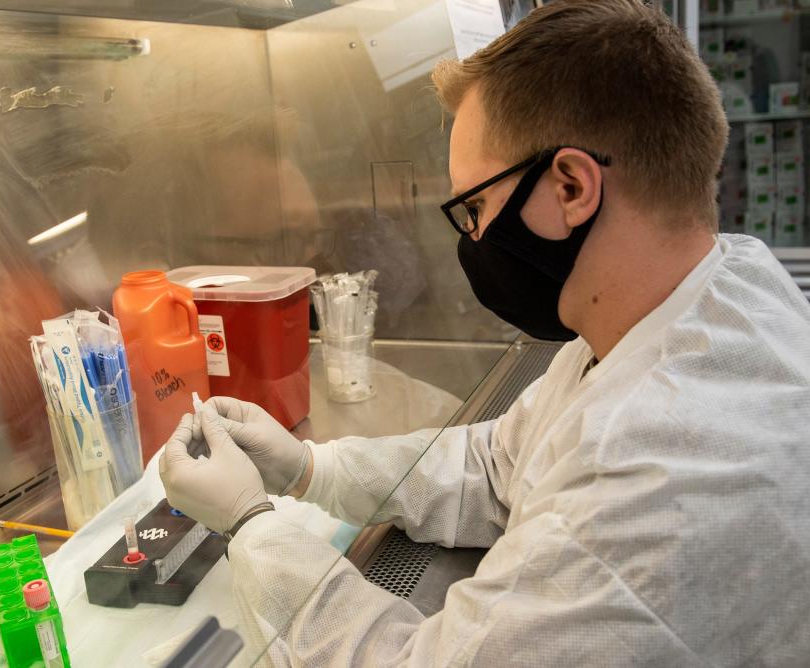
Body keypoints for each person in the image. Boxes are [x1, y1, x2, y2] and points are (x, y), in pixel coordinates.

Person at [159, 1, 810, 664]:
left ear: (571, 186)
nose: (470, 239)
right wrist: (310, 469)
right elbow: (498, 464)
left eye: (474, 207)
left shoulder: (658, 474)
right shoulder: (711, 286)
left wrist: (249, 524)